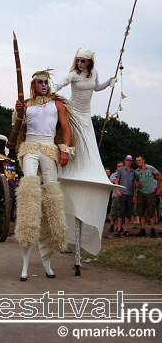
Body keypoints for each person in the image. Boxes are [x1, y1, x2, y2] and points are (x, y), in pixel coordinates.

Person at [54, 48, 120, 266]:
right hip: (73, 113)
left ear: (90, 62)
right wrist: (49, 92)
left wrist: (110, 82)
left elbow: (97, 88)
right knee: (73, 145)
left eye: (84, 61)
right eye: (78, 60)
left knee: (88, 147)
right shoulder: (73, 74)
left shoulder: (94, 73)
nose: (80, 63)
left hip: (87, 116)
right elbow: (61, 83)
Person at [15, 69, 78, 281]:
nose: (43, 85)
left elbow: (66, 128)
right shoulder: (26, 105)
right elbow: (17, 127)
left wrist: (65, 150)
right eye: (39, 82)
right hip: (29, 147)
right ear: (33, 85)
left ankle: (48, 261)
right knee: (30, 192)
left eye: (45, 82)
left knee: (51, 195)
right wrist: (17, 113)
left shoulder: (56, 104)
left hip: (50, 148)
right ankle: (25, 260)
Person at [135, 155, 161, 238]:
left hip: (150, 192)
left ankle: (152, 229)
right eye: (137, 161)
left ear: (143, 160)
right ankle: (142, 229)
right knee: (141, 211)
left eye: (139, 160)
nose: (138, 162)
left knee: (151, 211)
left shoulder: (150, 168)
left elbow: (159, 174)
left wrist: (158, 186)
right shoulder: (136, 171)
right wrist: (136, 184)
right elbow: (135, 181)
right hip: (141, 192)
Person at [115, 155, 136, 237]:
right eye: (127, 160)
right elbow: (117, 180)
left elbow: (134, 184)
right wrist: (117, 190)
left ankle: (126, 229)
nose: (128, 162)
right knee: (121, 211)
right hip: (122, 193)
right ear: (125, 161)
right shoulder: (120, 170)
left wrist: (134, 195)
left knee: (128, 212)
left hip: (130, 193)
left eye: (130, 160)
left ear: (131, 162)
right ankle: (119, 228)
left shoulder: (133, 171)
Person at [109, 161, 124, 232]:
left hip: (123, 195)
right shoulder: (113, 175)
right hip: (115, 195)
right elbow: (112, 182)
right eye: (119, 166)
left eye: (121, 166)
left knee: (121, 211)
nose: (120, 168)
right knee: (114, 210)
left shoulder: (125, 174)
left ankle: (120, 226)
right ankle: (112, 225)